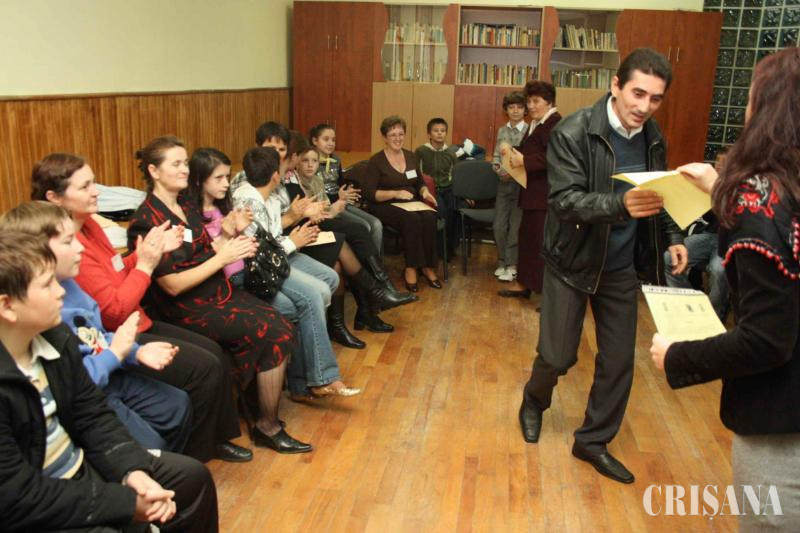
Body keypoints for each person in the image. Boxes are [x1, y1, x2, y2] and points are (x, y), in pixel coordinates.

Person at [518, 48, 688, 484]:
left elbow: (659, 192)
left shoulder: (653, 136)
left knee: (618, 362)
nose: (644, 106)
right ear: (615, 85)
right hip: (572, 262)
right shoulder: (573, 131)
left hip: (620, 268)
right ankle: (534, 399)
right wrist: (620, 205)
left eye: (655, 98)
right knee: (557, 355)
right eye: (637, 93)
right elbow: (563, 201)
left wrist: (673, 238)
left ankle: (592, 442)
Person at [650, 47, 800, 531]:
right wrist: (719, 188)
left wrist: (679, 356)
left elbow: (766, 341)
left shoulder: (760, 202)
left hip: (782, 421)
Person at [32, 152, 252, 463]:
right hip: (118, 333)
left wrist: (145, 254)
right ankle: (196, 455)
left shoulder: (89, 226)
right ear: (54, 198)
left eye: (93, 183)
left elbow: (116, 268)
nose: (96, 192)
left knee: (213, 354)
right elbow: (113, 313)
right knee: (204, 368)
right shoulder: (65, 252)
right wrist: (146, 264)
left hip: (135, 322)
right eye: (85, 187)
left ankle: (211, 443)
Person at [0, 232, 218, 532]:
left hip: (82, 471)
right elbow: (17, 497)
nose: (61, 292)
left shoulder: (55, 338)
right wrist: (125, 503)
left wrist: (132, 471)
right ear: (7, 306)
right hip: (41, 502)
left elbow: (91, 414)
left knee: (192, 479)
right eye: (47, 284)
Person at [127, 135, 309, 454]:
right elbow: (172, 285)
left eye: (185, 163)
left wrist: (227, 236)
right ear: (154, 171)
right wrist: (223, 257)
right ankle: (266, 424)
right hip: (185, 306)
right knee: (274, 331)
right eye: (176, 164)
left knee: (279, 321)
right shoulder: (147, 220)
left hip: (215, 291)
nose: (184, 169)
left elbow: (203, 250)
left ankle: (258, 415)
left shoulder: (185, 205)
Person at [0, 201, 191, 453]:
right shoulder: (41, 312)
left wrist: (135, 352)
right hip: (92, 386)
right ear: (38, 250)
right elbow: (72, 381)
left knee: (177, 404)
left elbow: (95, 335)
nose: (80, 247)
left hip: (110, 370)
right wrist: (117, 352)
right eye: (68, 241)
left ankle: (165, 464)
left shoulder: (69, 283)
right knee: (151, 445)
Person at [198, 145, 360, 399]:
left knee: (328, 279)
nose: (226, 183)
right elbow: (259, 250)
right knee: (311, 298)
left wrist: (294, 218)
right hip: (252, 271)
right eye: (219, 178)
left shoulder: (239, 200)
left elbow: (269, 234)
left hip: (264, 261)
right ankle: (321, 377)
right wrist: (293, 239)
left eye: (226, 177)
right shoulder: (245, 200)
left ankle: (304, 378)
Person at [364, 115, 442, 292]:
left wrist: (425, 192)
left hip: (410, 202)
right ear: (384, 137)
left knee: (430, 216)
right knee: (411, 219)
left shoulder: (410, 156)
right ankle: (411, 267)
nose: (398, 138)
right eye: (393, 135)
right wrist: (395, 193)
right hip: (384, 204)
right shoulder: (376, 161)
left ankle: (427, 266)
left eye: (401, 134)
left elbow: (419, 182)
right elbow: (369, 193)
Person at [499, 82, 562, 299]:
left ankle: (547, 294)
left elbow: (554, 157)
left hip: (544, 195)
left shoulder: (555, 123)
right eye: (529, 101)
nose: (531, 106)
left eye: (536, 101)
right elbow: (530, 150)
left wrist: (524, 160)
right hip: (531, 193)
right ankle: (524, 283)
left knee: (541, 244)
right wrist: (510, 151)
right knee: (528, 240)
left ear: (549, 102)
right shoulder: (537, 122)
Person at [310, 122, 384, 254]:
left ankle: (376, 262)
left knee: (376, 224)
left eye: (333, 140)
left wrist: (348, 192)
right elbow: (315, 195)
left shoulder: (336, 160)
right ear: (315, 141)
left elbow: (340, 184)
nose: (331, 143)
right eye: (326, 139)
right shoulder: (310, 163)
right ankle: (364, 261)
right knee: (365, 226)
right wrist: (339, 197)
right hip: (328, 207)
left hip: (341, 202)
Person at [414, 117, 467, 260]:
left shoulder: (450, 153)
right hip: (430, 190)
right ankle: (438, 249)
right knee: (441, 211)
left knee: (455, 209)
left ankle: (449, 247)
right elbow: (416, 174)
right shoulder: (421, 151)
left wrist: (465, 194)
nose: (439, 133)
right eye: (436, 131)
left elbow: (457, 175)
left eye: (443, 131)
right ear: (429, 134)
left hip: (448, 188)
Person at [663, 210, 729, 321]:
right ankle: (689, 308)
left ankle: (713, 319)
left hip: (732, 238)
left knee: (719, 269)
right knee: (671, 258)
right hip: (710, 233)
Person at [491, 92, 527, 282]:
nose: (515, 111)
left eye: (519, 107)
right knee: (499, 225)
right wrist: (498, 169)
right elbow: (497, 155)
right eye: (511, 107)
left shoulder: (529, 130)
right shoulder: (501, 131)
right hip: (503, 184)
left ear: (525, 110)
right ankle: (502, 261)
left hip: (522, 186)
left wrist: (514, 172)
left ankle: (512, 265)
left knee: (516, 227)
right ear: (506, 110)